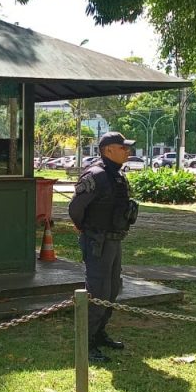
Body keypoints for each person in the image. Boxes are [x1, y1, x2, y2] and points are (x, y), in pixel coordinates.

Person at [68, 132, 140, 364]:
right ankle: (86, 344)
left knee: (112, 290)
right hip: (97, 241)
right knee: (97, 291)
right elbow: (75, 208)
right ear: (108, 150)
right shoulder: (96, 175)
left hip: (114, 240)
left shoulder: (116, 175)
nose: (128, 151)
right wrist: (83, 228)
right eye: (123, 148)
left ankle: (99, 334)